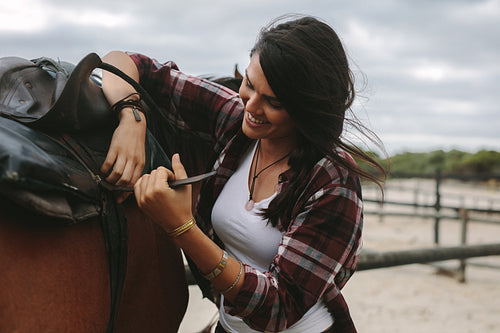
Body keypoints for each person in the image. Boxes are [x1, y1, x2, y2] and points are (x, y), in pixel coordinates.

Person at [100, 15, 386, 333]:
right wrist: (131, 116)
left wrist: (181, 227)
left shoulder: (333, 183)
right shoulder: (235, 120)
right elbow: (121, 62)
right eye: (249, 84)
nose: (251, 106)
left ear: (309, 108)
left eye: (273, 101)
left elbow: (277, 309)